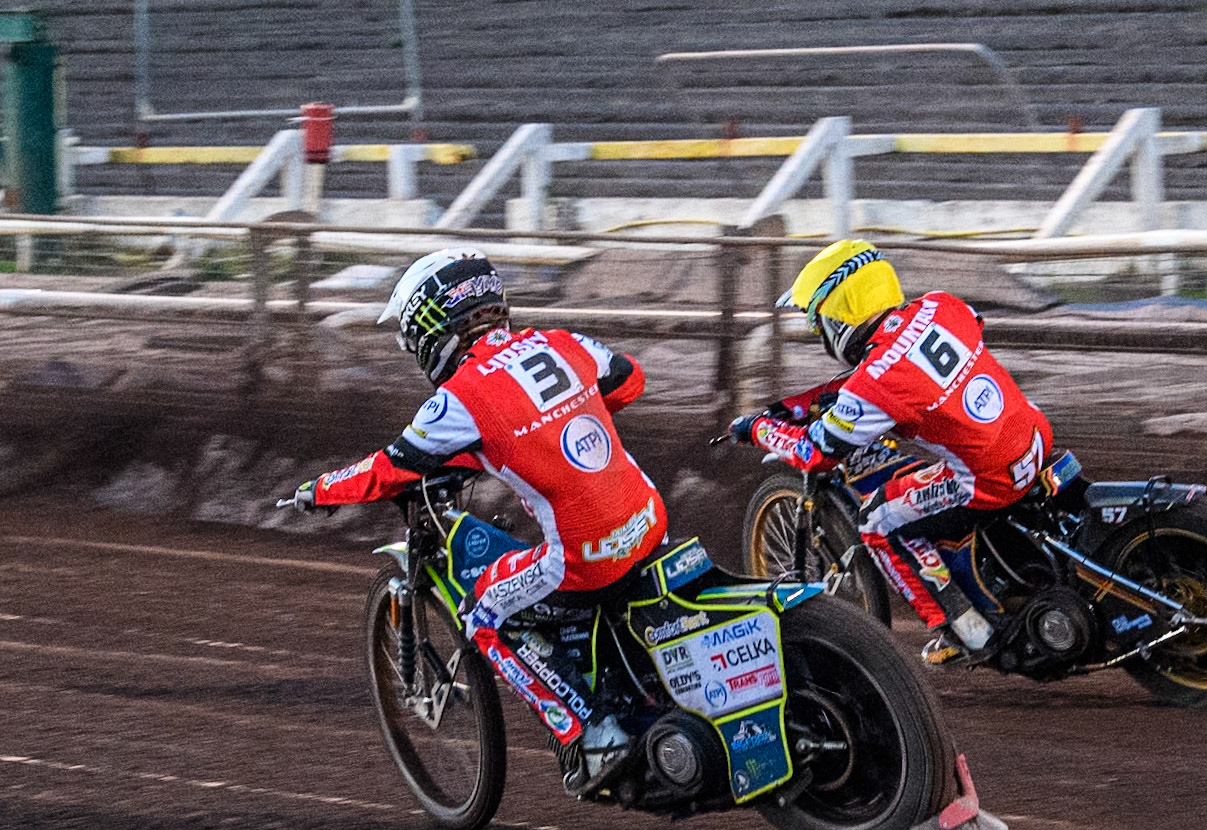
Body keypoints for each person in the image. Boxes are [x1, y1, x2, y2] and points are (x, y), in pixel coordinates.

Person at [287, 247, 666, 786]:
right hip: (651, 520)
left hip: (585, 556)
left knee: (483, 610)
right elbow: (629, 381)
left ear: (430, 328)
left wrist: (320, 491)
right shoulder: (560, 344)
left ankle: (593, 731)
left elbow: (390, 470)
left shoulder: (460, 398)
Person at [728, 240, 1052, 664]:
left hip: (989, 477)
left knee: (878, 517)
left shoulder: (874, 382)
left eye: (817, 322)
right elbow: (958, 334)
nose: (818, 332)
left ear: (838, 314)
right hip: (1034, 434)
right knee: (934, 470)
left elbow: (814, 452)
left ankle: (961, 629)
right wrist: (802, 403)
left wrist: (760, 427)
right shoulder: (942, 305)